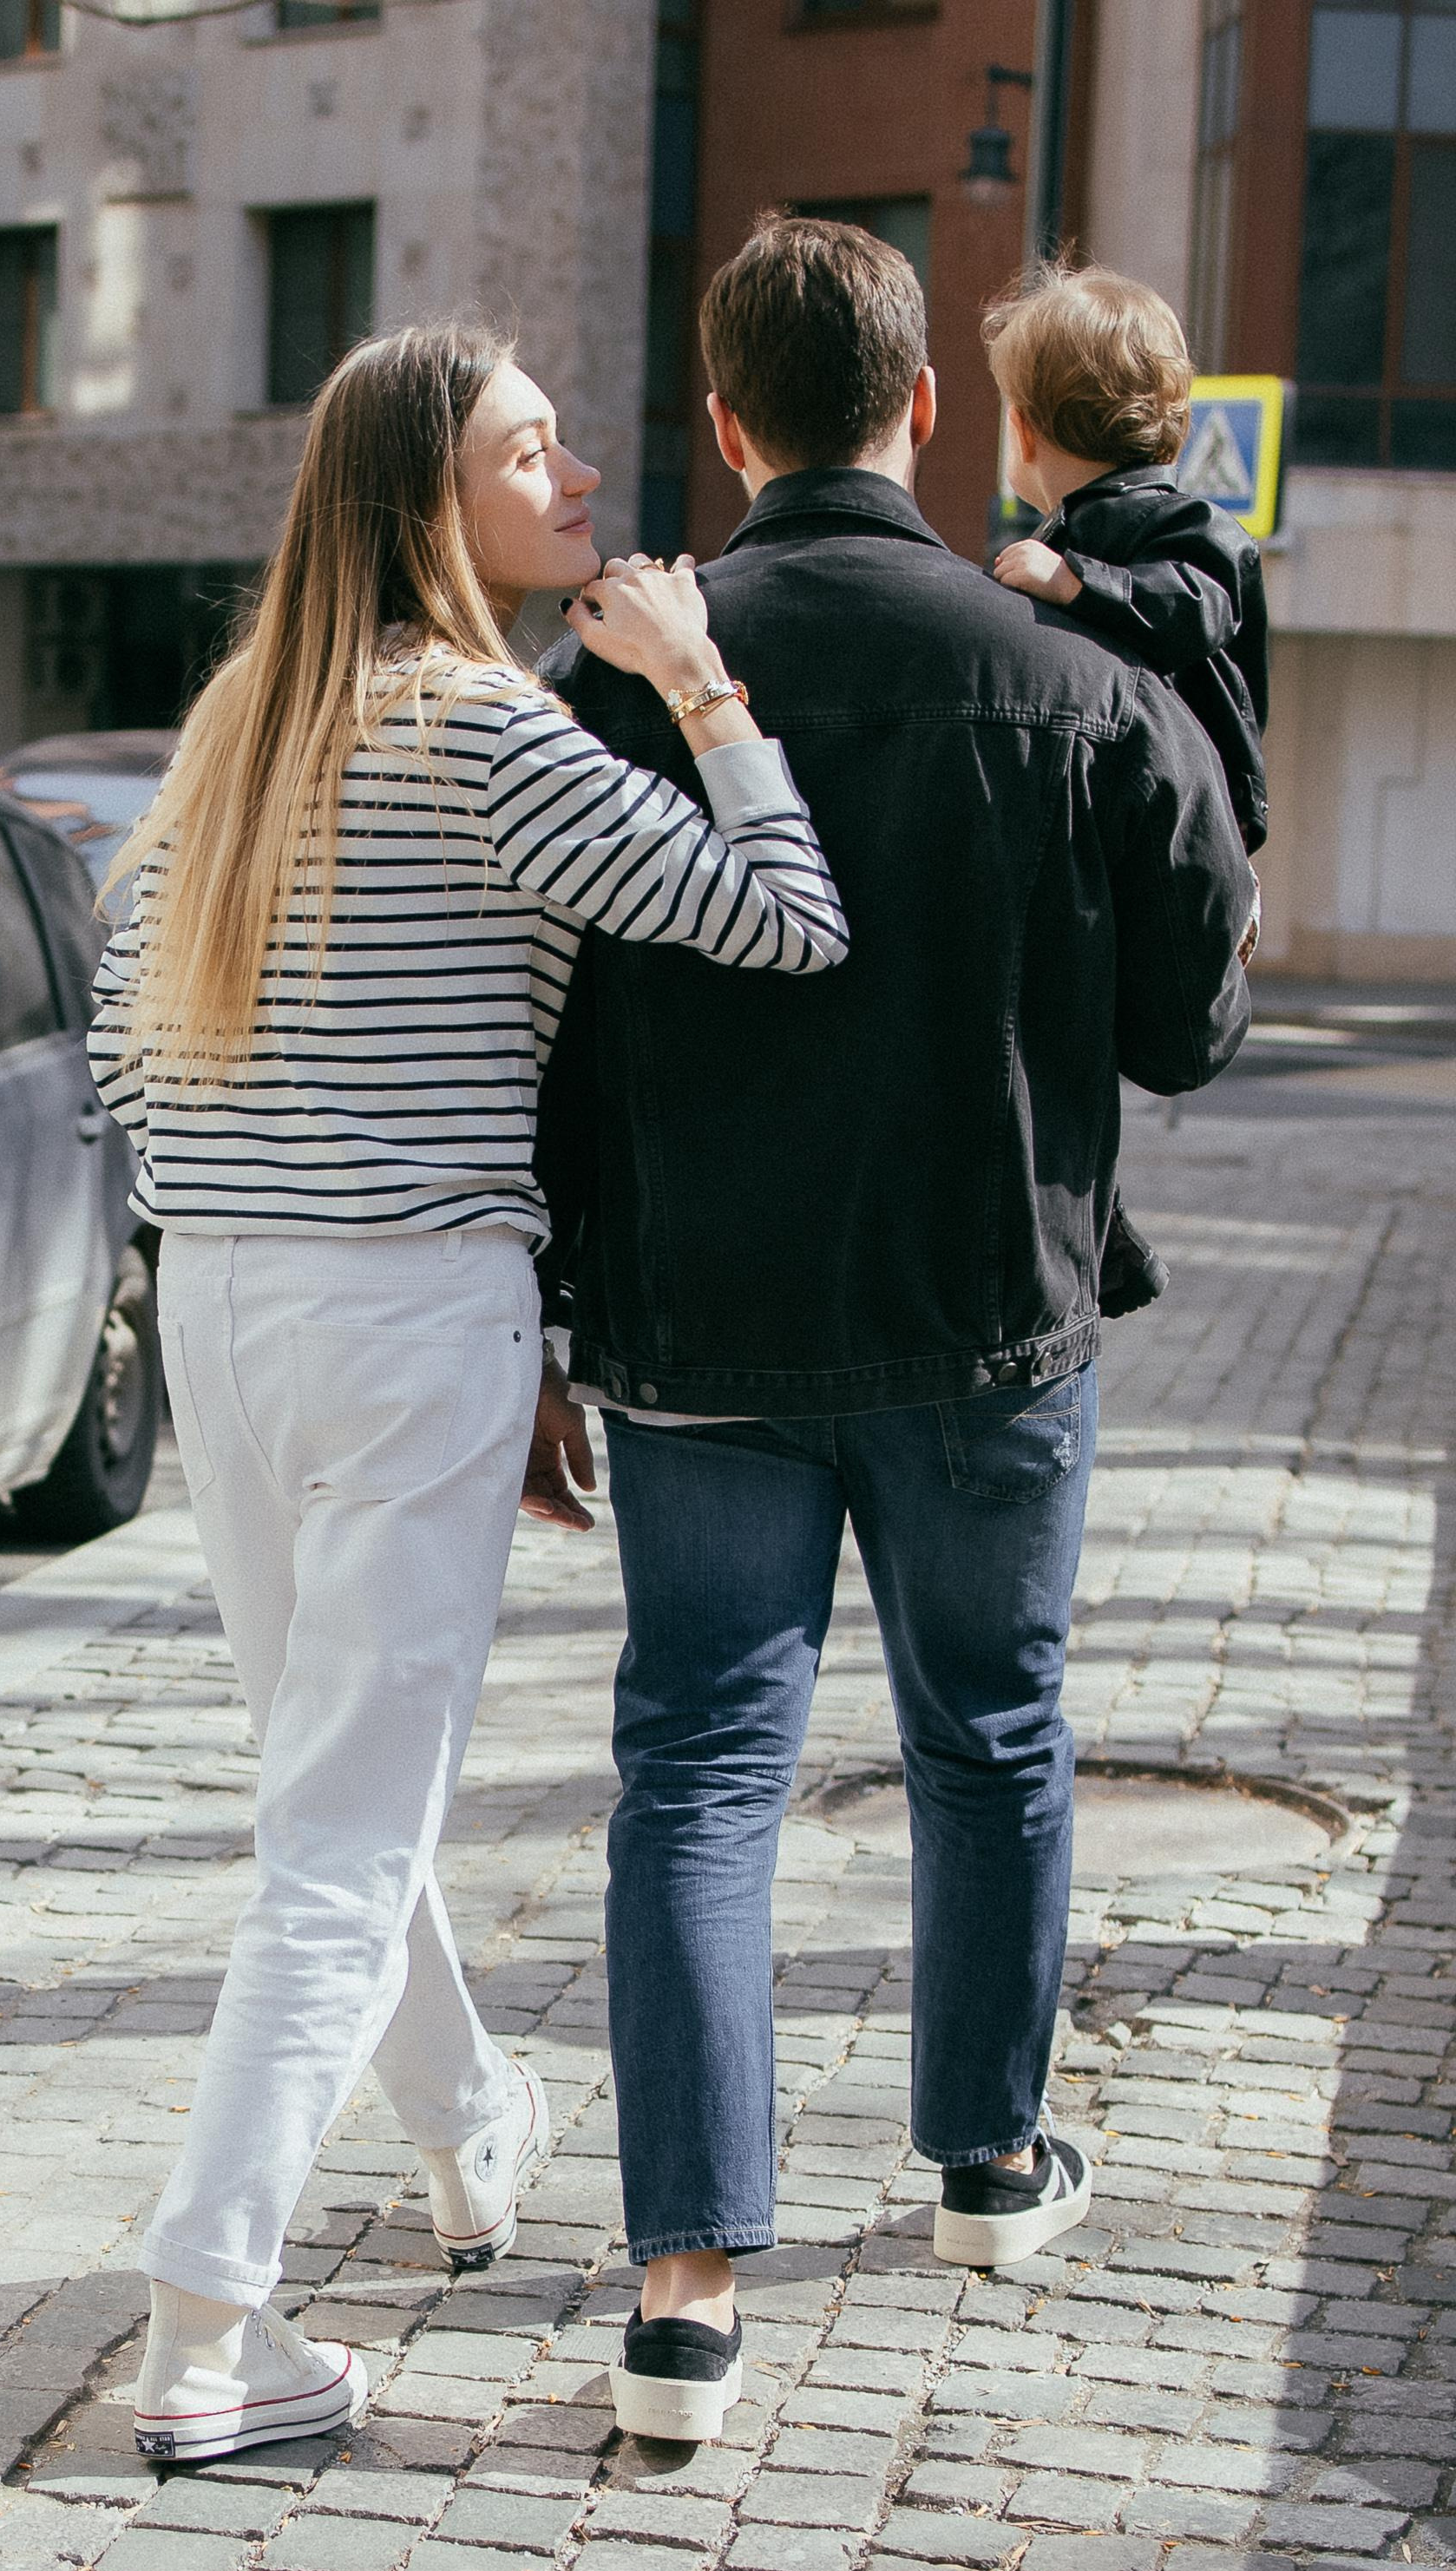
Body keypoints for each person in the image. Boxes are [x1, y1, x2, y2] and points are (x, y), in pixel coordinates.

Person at [86, 322, 848, 2465]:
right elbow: (784, 919)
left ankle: (460, 2131)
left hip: (226, 1293)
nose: (578, 475)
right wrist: (702, 684)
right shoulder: (487, 731)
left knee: (328, 1782)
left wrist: (236, 1176)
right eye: (532, 451)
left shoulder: (245, 722)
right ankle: (207, 2320)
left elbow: (111, 1030)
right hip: (405, 1306)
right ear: (439, 499)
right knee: (339, 1828)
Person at [529, 216, 1257, 2445]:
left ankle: (679, 2288)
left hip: (700, 1342)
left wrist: (556, 1316)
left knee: (698, 1774)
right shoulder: (1073, 679)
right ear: (925, 411)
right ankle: (981, 2163)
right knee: (990, 1738)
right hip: (980, 1328)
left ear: (725, 423)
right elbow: (1183, 1034)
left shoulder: (621, 674)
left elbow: (539, 1041)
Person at [987, 261, 1269, 1320]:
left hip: (1195, 816)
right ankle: (1101, 1240)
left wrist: (1075, 585)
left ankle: (1097, 1237)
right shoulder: (1058, 535)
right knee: (1070, 1048)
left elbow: (1192, 609)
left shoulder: (1173, 521)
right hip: (1132, 818)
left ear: (1025, 424)